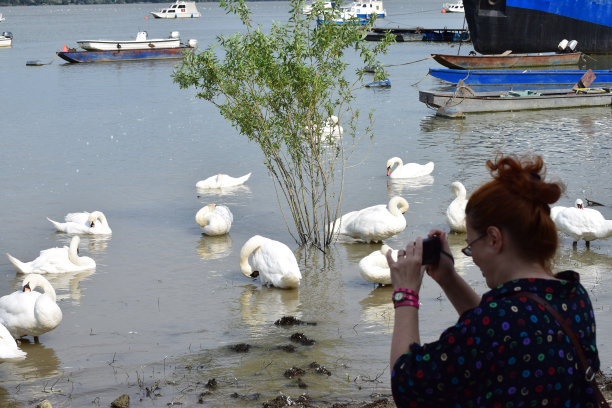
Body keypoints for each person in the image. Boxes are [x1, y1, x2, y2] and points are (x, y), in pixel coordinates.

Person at [386, 154, 602, 407]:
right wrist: (448, 278)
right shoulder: (575, 298)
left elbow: (406, 385)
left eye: (470, 246)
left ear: (494, 238)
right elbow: (506, 331)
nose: (472, 256)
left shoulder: (495, 323)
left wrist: (405, 295)